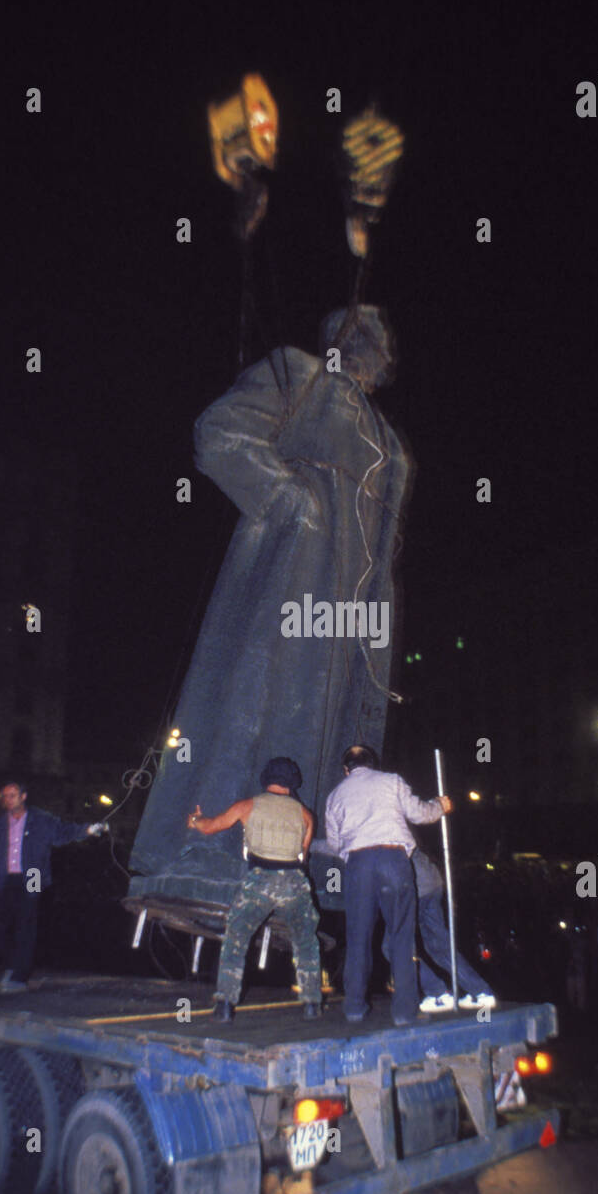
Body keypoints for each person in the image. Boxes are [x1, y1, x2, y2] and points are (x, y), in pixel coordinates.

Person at [126, 306, 413, 923]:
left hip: (353, 607)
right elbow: (220, 430)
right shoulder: (297, 373)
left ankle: (309, 873)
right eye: (364, 335)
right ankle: (215, 859)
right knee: (260, 701)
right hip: (296, 569)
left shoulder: (386, 437)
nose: (375, 348)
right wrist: (288, 501)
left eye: (382, 343)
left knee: (335, 722)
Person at [324, 745, 452, 1026]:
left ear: (346, 770)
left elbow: (334, 843)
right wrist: (440, 806)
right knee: (401, 937)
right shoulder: (391, 781)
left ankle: (354, 1008)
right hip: (393, 861)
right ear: (373, 765)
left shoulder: (335, 795)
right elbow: (419, 813)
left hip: (358, 865)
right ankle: (405, 1012)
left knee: (358, 937)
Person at [187, 757, 322, 1023]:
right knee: (306, 942)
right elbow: (303, 857)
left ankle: (225, 1004)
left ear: (266, 779)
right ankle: (312, 1004)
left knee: (236, 939)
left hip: (259, 880)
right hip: (294, 881)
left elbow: (209, 827)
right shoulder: (306, 815)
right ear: (293, 783)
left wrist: (196, 819)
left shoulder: (246, 806)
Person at [0, 781, 108, 993]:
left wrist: (90, 829)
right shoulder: (0, 825)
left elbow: (64, 832)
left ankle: (19, 976)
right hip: (6, 876)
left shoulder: (41, 819)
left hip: (33, 875)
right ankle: (14, 964)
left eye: (12, 795)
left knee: (26, 922)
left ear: (23, 796)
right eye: (5, 796)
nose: (8, 800)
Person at [401, 846, 496, 1013]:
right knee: (439, 945)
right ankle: (480, 991)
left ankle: (438, 993)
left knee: (394, 946)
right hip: (431, 881)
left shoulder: (368, 827)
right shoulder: (393, 823)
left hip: (414, 885)